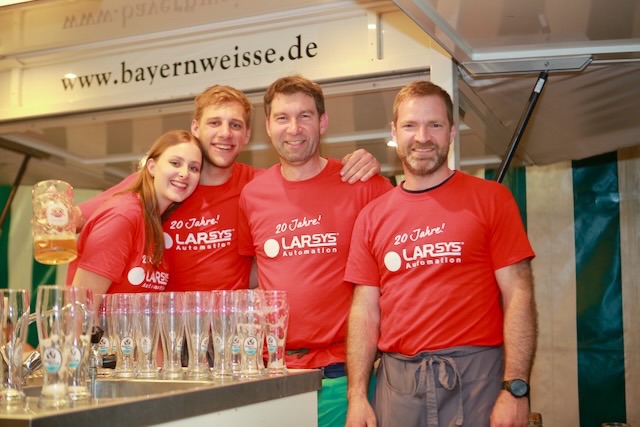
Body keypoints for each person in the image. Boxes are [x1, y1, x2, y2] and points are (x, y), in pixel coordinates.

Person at [344, 80, 538, 427]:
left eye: (434, 125)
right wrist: (357, 396)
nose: (422, 137)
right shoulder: (371, 216)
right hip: (398, 385)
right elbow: (364, 311)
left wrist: (515, 389)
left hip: (478, 380)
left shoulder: (492, 199)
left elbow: (519, 294)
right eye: (410, 125)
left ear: (451, 132)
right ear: (394, 132)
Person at [76, 85, 381, 291]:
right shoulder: (166, 183)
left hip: (230, 337)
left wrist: (362, 162)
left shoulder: (260, 187)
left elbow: (306, 183)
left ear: (247, 134)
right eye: (214, 123)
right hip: (166, 335)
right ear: (195, 128)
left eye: (235, 125)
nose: (225, 133)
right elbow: (74, 217)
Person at [237, 75, 394, 427]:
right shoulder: (252, 195)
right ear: (268, 126)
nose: (293, 128)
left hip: (343, 375)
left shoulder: (361, 184)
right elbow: (254, 273)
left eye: (304, 116)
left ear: (322, 122)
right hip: (273, 374)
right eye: (282, 117)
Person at [67, 129, 203, 295]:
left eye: (194, 168)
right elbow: (81, 304)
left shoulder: (155, 223)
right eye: (175, 163)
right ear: (152, 167)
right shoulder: (124, 215)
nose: (184, 173)